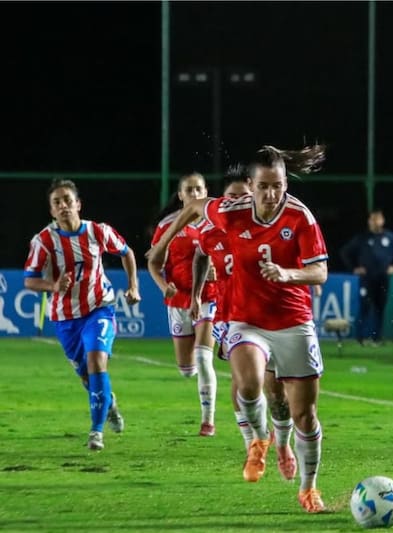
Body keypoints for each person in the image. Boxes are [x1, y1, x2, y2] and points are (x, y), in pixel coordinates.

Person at [148, 144, 329, 514]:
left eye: (277, 186)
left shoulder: (300, 217)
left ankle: (308, 489)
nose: (271, 194)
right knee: (248, 383)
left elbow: (320, 271)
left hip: (293, 321)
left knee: (302, 415)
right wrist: (162, 245)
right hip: (245, 321)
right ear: (251, 185)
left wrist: (288, 274)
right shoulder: (230, 211)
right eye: (263, 186)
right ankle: (258, 441)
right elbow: (195, 207)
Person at [190, 166, 297, 481]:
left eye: (242, 196)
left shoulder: (272, 226)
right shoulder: (210, 231)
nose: (236, 201)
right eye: (230, 196)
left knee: (276, 390)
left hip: (272, 315)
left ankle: (284, 446)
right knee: (243, 383)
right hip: (231, 315)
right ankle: (254, 444)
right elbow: (199, 255)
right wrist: (197, 294)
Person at [23, 179, 141, 450]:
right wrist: (53, 286)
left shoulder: (98, 231)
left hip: (99, 307)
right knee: (87, 377)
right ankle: (108, 403)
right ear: (52, 211)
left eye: (67, 200)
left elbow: (127, 252)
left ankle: (96, 432)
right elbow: (29, 280)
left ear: (78, 204)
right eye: (57, 203)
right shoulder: (43, 241)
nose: (63, 206)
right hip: (65, 318)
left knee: (97, 361)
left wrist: (133, 285)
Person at [148, 172, 219, 436]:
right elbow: (154, 263)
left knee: (203, 358)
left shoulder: (217, 222)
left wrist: (218, 272)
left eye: (199, 189)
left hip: (209, 297)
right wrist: (164, 287)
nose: (195, 194)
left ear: (206, 191)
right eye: (189, 190)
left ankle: (208, 421)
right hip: (178, 302)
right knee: (187, 370)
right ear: (180, 195)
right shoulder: (168, 225)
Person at [340, 209, 393, 345]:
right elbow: (344, 252)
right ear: (369, 221)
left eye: (377, 219)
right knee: (365, 307)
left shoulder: (390, 237)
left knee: (380, 308)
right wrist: (354, 268)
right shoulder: (362, 238)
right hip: (367, 279)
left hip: (383, 278)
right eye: (372, 219)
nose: (375, 222)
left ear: (382, 221)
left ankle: (376, 338)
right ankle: (360, 337)